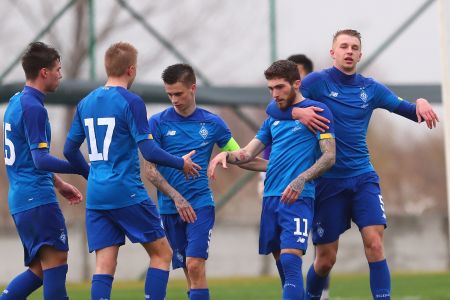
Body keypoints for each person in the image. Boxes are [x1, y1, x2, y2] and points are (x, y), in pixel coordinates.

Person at [265, 29, 439, 300]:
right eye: (343, 46)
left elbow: (409, 111)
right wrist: (297, 111)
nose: (349, 51)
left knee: (375, 244)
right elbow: (274, 107)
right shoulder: (316, 82)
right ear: (332, 53)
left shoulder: (370, 88)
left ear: (360, 54)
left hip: (362, 178)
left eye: (354, 47)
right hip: (327, 182)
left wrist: (421, 102)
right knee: (325, 260)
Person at [63, 42, 201, 300]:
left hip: (97, 195)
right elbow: (148, 150)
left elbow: (70, 151)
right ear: (131, 70)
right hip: (126, 191)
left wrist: (90, 175)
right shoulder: (131, 101)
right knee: (162, 254)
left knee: (104, 265)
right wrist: (180, 163)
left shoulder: (86, 102)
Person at [209, 60, 336, 300]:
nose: (274, 94)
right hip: (270, 198)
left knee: (290, 259)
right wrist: (226, 154)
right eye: (271, 89)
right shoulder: (272, 119)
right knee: (285, 270)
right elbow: (247, 154)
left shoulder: (317, 112)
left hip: (298, 197)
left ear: (296, 84)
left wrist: (301, 180)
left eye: (280, 87)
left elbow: (330, 156)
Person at [144, 63, 267, 300]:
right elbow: (150, 170)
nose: (174, 100)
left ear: (193, 88)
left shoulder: (213, 123)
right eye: (169, 94)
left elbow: (242, 156)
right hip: (170, 207)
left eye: (178, 93)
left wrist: (275, 167)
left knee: (195, 265)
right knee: (189, 274)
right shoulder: (157, 123)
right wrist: (176, 197)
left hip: (200, 204)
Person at [1, 42, 88, 300]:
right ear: (44, 72)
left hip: (22, 198)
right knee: (57, 261)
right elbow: (40, 159)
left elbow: (28, 159)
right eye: (58, 69)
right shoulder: (34, 108)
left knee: (40, 270)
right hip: (36, 199)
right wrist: (81, 168)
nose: (61, 75)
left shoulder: (18, 101)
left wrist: (59, 183)